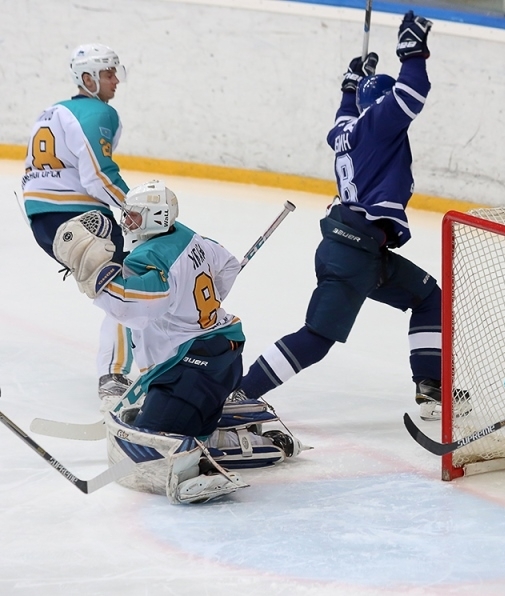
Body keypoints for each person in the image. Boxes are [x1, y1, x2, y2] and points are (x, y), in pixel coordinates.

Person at [230, 11, 468, 421]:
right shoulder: (378, 125)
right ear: (382, 105)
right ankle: (240, 393)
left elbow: (343, 115)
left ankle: (431, 387)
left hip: (360, 249)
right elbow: (412, 91)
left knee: (429, 296)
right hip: (352, 255)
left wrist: (350, 85)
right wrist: (412, 52)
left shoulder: (349, 130)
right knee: (316, 338)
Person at [51, 180, 303, 504]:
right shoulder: (188, 236)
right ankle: (232, 436)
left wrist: (92, 278)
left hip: (190, 371)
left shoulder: (148, 256)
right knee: (168, 424)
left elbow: (133, 307)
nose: (126, 222)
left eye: (134, 216)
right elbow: (228, 265)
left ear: (156, 218)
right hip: (222, 354)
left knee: (148, 445)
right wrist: (194, 309)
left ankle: (193, 469)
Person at [21, 43, 135, 404]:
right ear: (87, 78)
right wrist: (136, 208)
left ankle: (137, 364)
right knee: (128, 288)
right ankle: (115, 375)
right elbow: (98, 175)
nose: (116, 80)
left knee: (114, 288)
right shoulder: (99, 112)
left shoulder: (51, 111)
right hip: (84, 220)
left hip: (45, 222)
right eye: (108, 73)